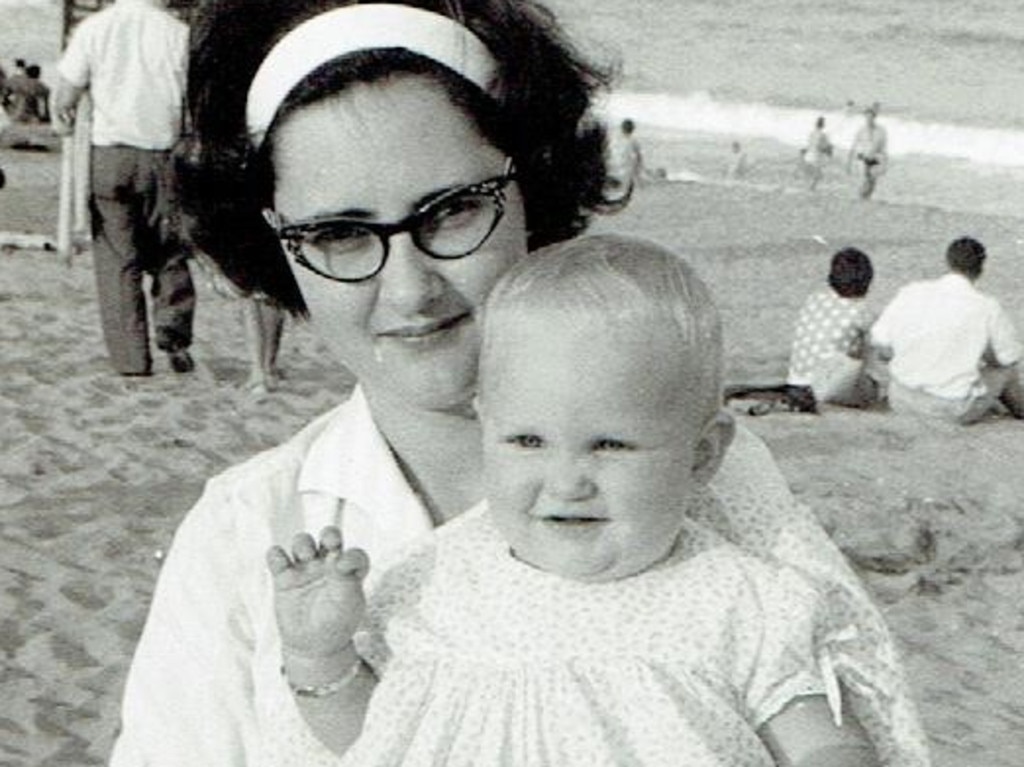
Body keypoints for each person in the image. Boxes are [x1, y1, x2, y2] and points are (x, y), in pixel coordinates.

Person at [108, 2, 928, 765]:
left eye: (454, 210)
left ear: (531, 184)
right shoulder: (244, 534)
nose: (409, 288)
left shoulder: (713, 482)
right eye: (337, 233)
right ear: (278, 246)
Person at [266, 234, 883, 766]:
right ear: (485, 428)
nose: (566, 481)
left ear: (701, 456)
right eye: (527, 440)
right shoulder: (434, 581)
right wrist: (319, 654)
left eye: (609, 445)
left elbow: (822, 743)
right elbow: (373, 737)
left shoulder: (738, 600)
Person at [53, 0, 196, 377]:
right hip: (164, 154)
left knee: (118, 259)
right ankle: (174, 334)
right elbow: (194, 102)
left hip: (111, 154)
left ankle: (131, 359)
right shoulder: (179, 34)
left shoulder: (96, 28)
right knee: (170, 251)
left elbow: (64, 97)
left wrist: (63, 120)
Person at [871, 236, 1024, 424]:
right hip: (948, 408)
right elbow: (1009, 357)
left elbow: (880, 341)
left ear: (948, 262)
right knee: (1005, 370)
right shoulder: (986, 306)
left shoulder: (912, 292)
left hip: (901, 397)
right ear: (980, 269)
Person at [788, 247, 879, 407]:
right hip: (829, 387)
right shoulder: (861, 310)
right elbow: (883, 348)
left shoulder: (814, 299)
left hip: (797, 383)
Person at [600, 117, 645, 208]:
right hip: (623, 169)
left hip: (612, 166)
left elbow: (605, 150)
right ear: (632, 130)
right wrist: (640, 168)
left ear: (621, 128)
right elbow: (639, 156)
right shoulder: (633, 140)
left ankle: (610, 185)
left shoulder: (613, 137)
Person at [846, 105, 888, 200]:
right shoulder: (861, 130)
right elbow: (853, 146)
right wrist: (848, 163)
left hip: (874, 157)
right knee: (865, 179)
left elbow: (884, 148)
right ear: (865, 117)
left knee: (873, 180)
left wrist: (885, 163)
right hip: (863, 156)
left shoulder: (881, 130)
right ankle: (861, 197)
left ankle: (866, 197)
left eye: (870, 117)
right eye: (867, 117)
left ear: (874, 117)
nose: (868, 119)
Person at [800, 116, 832, 191]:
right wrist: (829, 150)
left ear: (816, 124)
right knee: (818, 175)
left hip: (808, 156)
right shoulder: (823, 135)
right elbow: (823, 148)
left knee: (812, 173)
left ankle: (809, 186)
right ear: (823, 125)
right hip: (817, 158)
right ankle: (812, 187)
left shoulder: (811, 133)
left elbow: (809, 145)